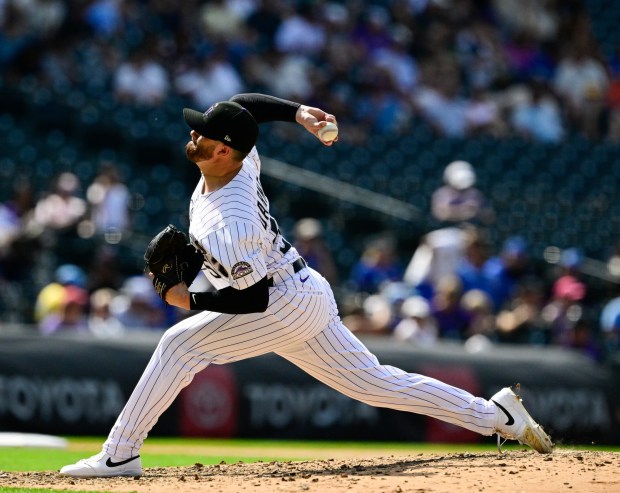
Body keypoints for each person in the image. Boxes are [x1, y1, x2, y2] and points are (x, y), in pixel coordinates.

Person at [60, 93, 552, 478]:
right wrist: (299, 114)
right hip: (303, 289)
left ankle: (120, 455)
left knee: (178, 346)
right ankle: (496, 416)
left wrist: (187, 299)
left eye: (205, 133)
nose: (194, 132)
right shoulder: (241, 160)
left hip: (279, 302)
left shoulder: (226, 222)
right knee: (374, 382)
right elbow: (244, 109)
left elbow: (250, 300)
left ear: (225, 149)